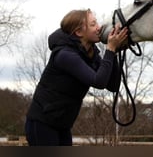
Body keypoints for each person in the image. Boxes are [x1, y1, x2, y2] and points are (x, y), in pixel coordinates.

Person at [25, 9, 128, 146]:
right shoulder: (65, 55)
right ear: (79, 32)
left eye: (96, 22)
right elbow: (98, 82)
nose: (99, 28)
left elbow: (112, 85)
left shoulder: (90, 54)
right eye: (92, 24)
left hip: (62, 125)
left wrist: (115, 52)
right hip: (42, 123)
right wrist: (110, 49)